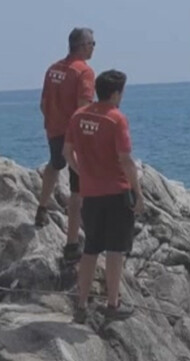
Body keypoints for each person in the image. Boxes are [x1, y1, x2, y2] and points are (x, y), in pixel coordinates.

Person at [64, 70, 145, 323]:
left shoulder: (78, 116)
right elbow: (126, 160)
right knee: (114, 251)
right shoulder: (116, 119)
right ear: (116, 93)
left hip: (90, 193)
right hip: (117, 193)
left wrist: (83, 172)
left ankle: (81, 305)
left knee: (90, 249)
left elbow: (67, 152)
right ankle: (112, 304)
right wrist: (138, 193)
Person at [37, 28, 97, 264]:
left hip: (54, 129)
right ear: (82, 46)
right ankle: (71, 244)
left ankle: (41, 208)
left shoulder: (53, 69)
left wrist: (53, 123)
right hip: (74, 137)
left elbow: (43, 103)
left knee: (54, 164)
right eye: (92, 43)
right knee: (77, 189)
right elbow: (83, 109)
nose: (94, 47)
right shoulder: (84, 72)